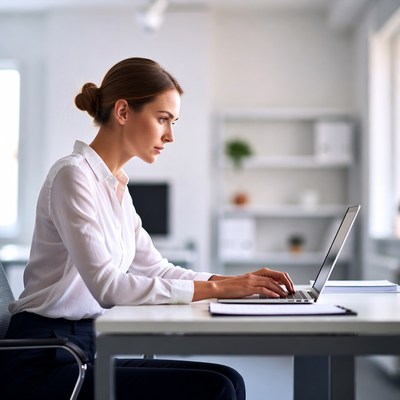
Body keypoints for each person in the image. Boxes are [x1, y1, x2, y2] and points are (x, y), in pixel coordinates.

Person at [1, 57, 294, 400]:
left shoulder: (116, 190)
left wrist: (230, 283)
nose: (170, 136)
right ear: (123, 112)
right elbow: (108, 287)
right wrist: (220, 290)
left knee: (229, 380)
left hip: (82, 349)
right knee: (214, 390)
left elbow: (157, 269)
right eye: (163, 119)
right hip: (45, 361)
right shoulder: (73, 175)